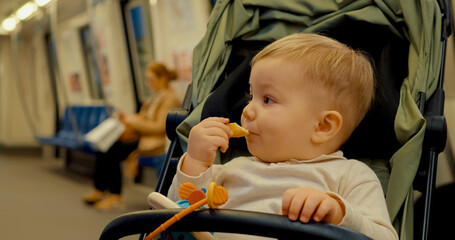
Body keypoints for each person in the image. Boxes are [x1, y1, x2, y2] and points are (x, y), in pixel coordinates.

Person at [168, 33, 398, 239]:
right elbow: (176, 216)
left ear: (323, 126)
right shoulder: (229, 170)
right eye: (251, 97)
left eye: (267, 99)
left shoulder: (351, 177)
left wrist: (338, 213)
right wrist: (196, 163)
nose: (246, 110)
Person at [83, 61, 180, 210]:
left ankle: (116, 196)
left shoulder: (169, 99)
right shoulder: (155, 97)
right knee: (105, 146)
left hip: (157, 141)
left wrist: (132, 121)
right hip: (145, 137)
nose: (148, 84)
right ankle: (100, 189)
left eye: (150, 80)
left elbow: (159, 128)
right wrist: (128, 117)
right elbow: (143, 117)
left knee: (113, 151)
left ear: (162, 78)